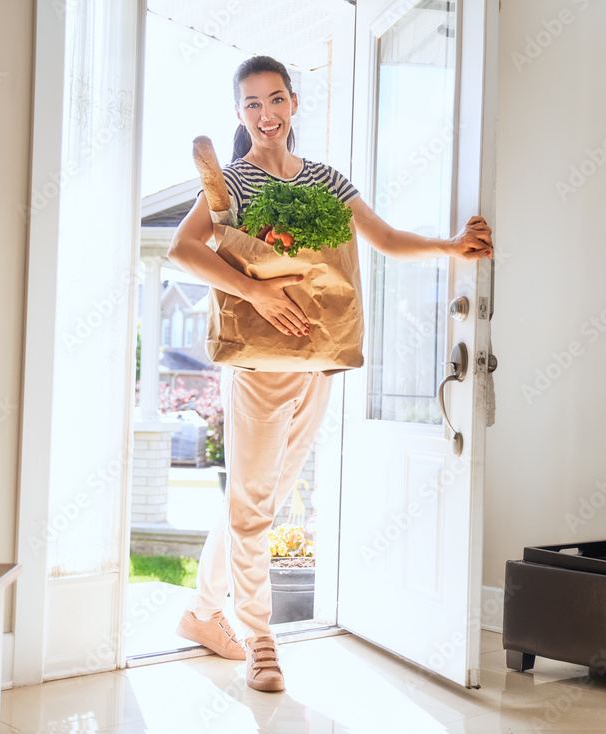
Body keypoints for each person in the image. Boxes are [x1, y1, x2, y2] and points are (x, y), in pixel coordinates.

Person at [167, 55, 493, 693]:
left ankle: (201, 612)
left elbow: (387, 238)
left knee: (254, 504)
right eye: (253, 104)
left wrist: (451, 247)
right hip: (262, 361)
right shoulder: (230, 183)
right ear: (240, 114)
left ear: (294, 105)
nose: (267, 114)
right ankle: (262, 638)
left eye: (276, 99)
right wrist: (257, 294)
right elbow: (183, 249)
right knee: (254, 507)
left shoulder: (326, 181)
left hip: (317, 357)